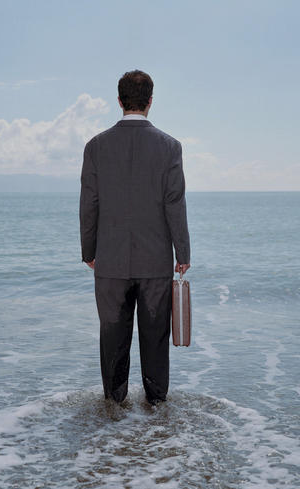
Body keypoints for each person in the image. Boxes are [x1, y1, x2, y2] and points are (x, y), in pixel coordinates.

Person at [79, 70, 191, 405]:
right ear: (150, 102)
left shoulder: (96, 146)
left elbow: (89, 204)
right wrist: (182, 252)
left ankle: (113, 409)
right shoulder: (170, 147)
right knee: (155, 339)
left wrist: (89, 251)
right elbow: (175, 204)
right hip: (155, 260)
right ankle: (157, 411)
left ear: (119, 100)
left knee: (112, 337)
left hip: (110, 260)